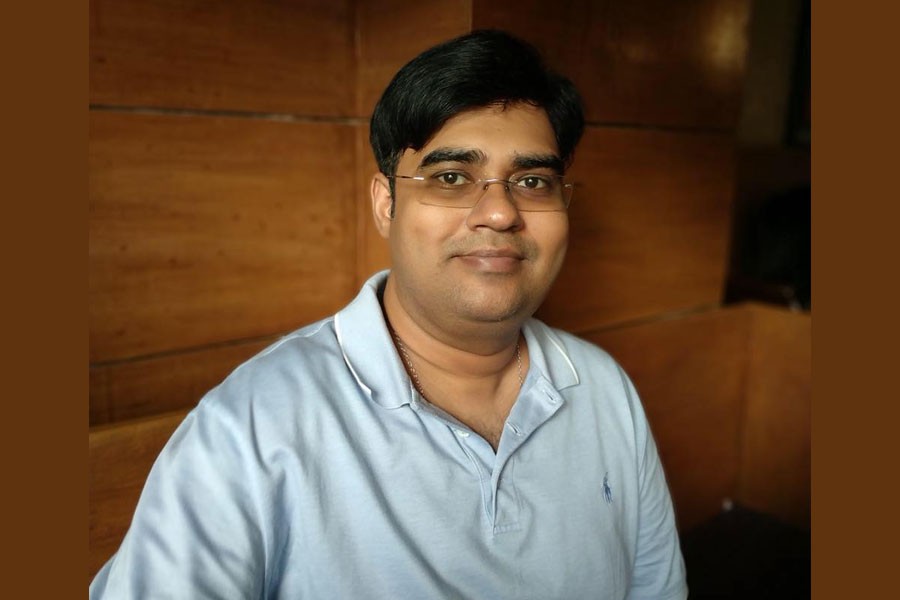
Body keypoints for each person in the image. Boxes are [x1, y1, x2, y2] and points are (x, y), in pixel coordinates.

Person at [90, 29, 687, 599]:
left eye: (532, 181)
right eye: (451, 177)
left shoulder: (605, 390)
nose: (501, 213)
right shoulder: (251, 425)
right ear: (386, 204)